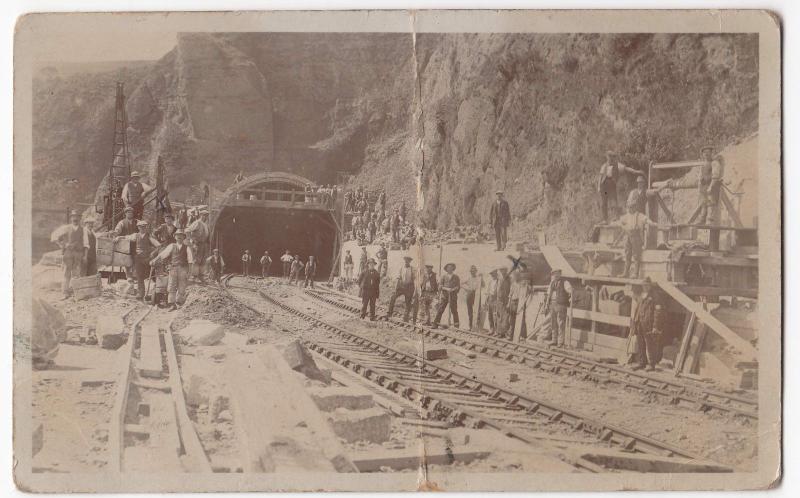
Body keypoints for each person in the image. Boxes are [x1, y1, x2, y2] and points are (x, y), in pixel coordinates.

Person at [611, 199, 660, 278]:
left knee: (636, 255)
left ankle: (635, 274)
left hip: (636, 237)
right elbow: (619, 221)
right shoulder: (626, 216)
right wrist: (619, 224)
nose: (629, 209)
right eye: (628, 207)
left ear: (635, 207)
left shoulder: (639, 215)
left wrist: (652, 223)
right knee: (627, 254)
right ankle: (625, 273)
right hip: (628, 237)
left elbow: (646, 220)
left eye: (631, 207)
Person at [115, 220, 161, 301]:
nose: (142, 228)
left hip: (147, 259)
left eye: (144, 227)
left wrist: (153, 254)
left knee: (152, 275)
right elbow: (127, 237)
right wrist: (119, 237)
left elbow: (158, 246)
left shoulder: (150, 236)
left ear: (146, 227)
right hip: (138, 259)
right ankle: (141, 294)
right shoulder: (136, 235)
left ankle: (157, 292)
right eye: (140, 227)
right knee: (139, 277)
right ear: (138, 228)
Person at [150, 229, 193, 311]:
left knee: (182, 287)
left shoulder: (187, 248)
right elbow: (163, 255)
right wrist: (154, 260)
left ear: (184, 237)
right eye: (177, 235)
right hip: (173, 268)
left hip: (183, 269)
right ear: (175, 237)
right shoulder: (171, 246)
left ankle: (179, 303)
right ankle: (172, 304)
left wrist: (189, 272)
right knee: (171, 286)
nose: (179, 237)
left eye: (181, 236)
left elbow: (190, 261)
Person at [597, 150, 645, 223]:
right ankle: (605, 219)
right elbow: (600, 176)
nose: (610, 159)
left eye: (612, 157)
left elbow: (627, 169)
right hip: (604, 184)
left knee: (614, 201)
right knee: (604, 203)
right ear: (607, 157)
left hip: (611, 184)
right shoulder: (604, 166)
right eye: (609, 157)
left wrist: (636, 171)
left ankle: (615, 217)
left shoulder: (618, 165)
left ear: (614, 158)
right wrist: (599, 187)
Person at [630, 277, 664, 371]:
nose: (645, 287)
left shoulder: (655, 296)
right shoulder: (641, 295)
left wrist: (655, 326)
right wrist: (634, 323)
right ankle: (641, 362)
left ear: (650, 285)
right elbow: (637, 309)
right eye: (643, 285)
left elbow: (658, 312)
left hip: (649, 324)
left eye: (646, 285)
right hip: (640, 323)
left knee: (650, 344)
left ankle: (651, 364)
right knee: (641, 343)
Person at [54, 210, 89, 299]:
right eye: (73, 217)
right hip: (68, 254)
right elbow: (54, 237)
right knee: (66, 273)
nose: (75, 218)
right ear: (71, 218)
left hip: (78, 253)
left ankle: (75, 292)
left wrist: (85, 256)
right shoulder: (66, 228)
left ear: (80, 218)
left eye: (77, 217)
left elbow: (86, 244)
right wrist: (63, 245)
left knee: (76, 273)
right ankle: (65, 292)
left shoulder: (84, 229)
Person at [543, 269, 572, 348]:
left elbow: (570, 291)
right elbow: (549, 294)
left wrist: (570, 297)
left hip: (561, 305)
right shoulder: (552, 283)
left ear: (560, 274)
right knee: (553, 323)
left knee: (561, 323)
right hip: (552, 304)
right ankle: (554, 340)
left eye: (557, 273)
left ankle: (560, 342)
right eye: (554, 274)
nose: (555, 275)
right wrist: (546, 305)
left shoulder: (565, 283)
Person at [696, 145, 725, 225]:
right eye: (704, 153)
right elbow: (700, 176)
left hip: (711, 186)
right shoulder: (703, 165)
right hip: (704, 186)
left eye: (708, 153)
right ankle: (702, 220)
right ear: (702, 154)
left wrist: (711, 186)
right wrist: (700, 185)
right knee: (703, 203)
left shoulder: (714, 163)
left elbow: (716, 176)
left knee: (711, 203)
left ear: (711, 153)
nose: (706, 154)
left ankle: (710, 220)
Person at [386, 256, 416, 322]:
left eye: (407, 261)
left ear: (409, 262)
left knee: (408, 302)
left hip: (409, 287)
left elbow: (414, 279)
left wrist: (413, 290)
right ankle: (389, 313)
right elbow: (398, 278)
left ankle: (406, 317)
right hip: (401, 286)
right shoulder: (401, 268)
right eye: (405, 261)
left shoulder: (412, 269)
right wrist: (395, 288)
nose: (406, 262)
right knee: (393, 297)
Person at [113, 206, 138, 282]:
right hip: (125, 244)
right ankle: (128, 276)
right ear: (125, 214)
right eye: (128, 212)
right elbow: (117, 231)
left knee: (135, 259)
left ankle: (135, 275)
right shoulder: (122, 222)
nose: (130, 214)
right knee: (126, 259)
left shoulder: (137, 222)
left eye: (131, 213)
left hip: (135, 244)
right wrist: (115, 234)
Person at [432, 263, 460, 329]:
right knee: (440, 309)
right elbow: (440, 286)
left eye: (451, 267)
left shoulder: (456, 277)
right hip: (445, 296)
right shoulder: (443, 276)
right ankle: (435, 324)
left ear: (453, 269)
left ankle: (456, 325)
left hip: (453, 296)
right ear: (446, 269)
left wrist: (454, 289)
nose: (449, 269)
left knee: (454, 310)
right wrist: (446, 288)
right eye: (448, 267)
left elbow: (458, 286)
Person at [186, 209, 210, 282]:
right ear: (200, 215)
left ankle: (201, 276)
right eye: (204, 215)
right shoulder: (197, 223)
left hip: (204, 244)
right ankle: (194, 276)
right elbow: (187, 230)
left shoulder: (205, 224)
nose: (205, 217)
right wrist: (192, 241)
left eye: (206, 216)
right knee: (196, 260)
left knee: (203, 260)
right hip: (197, 244)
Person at [461, 265, 483, 330]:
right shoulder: (468, 278)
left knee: (477, 310)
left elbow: (483, 285)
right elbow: (461, 284)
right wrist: (467, 289)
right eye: (471, 271)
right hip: (470, 294)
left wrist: (482, 278)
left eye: (474, 271)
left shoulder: (478, 278)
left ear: (476, 271)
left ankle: (477, 326)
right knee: (470, 311)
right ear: (470, 272)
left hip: (477, 295)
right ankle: (470, 326)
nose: (473, 272)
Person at [496, 267, 511, 335]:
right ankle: (499, 332)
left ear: (506, 271)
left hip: (506, 300)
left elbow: (510, 290)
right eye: (501, 271)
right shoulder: (500, 279)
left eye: (504, 271)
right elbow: (498, 290)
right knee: (499, 316)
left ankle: (504, 332)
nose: (503, 272)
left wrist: (508, 299)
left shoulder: (509, 279)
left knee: (505, 316)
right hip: (500, 300)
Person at [485, 269, 499, 334]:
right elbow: (488, 291)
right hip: (490, 299)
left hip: (496, 299)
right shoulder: (490, 282)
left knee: (495, 315)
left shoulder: (499, 281)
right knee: (490, 315)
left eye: (493, 273)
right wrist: (486, 299)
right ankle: (491, 329)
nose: (492, 275)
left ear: (496, 273)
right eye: (491, 274)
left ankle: (496, 330)